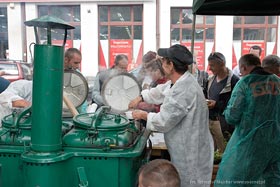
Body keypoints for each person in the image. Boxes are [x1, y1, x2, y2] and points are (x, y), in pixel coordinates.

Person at [129, 44, 214, 186]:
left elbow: (164, 121)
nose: (161, 64)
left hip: (191, 154)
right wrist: (141, 97)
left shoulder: (183, 90)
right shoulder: (181, 82)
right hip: (188, 147)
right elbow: (163, 91)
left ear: (170, 65)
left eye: (163, 61)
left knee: (188, 183)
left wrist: (143, 115)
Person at [215, 54, 280, 186]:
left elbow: (232, 116)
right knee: (270, 179)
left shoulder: (244, 83)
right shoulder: (277, 81)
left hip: (248, 142)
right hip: (274, 141)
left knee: (242, 179)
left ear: (243, 68)